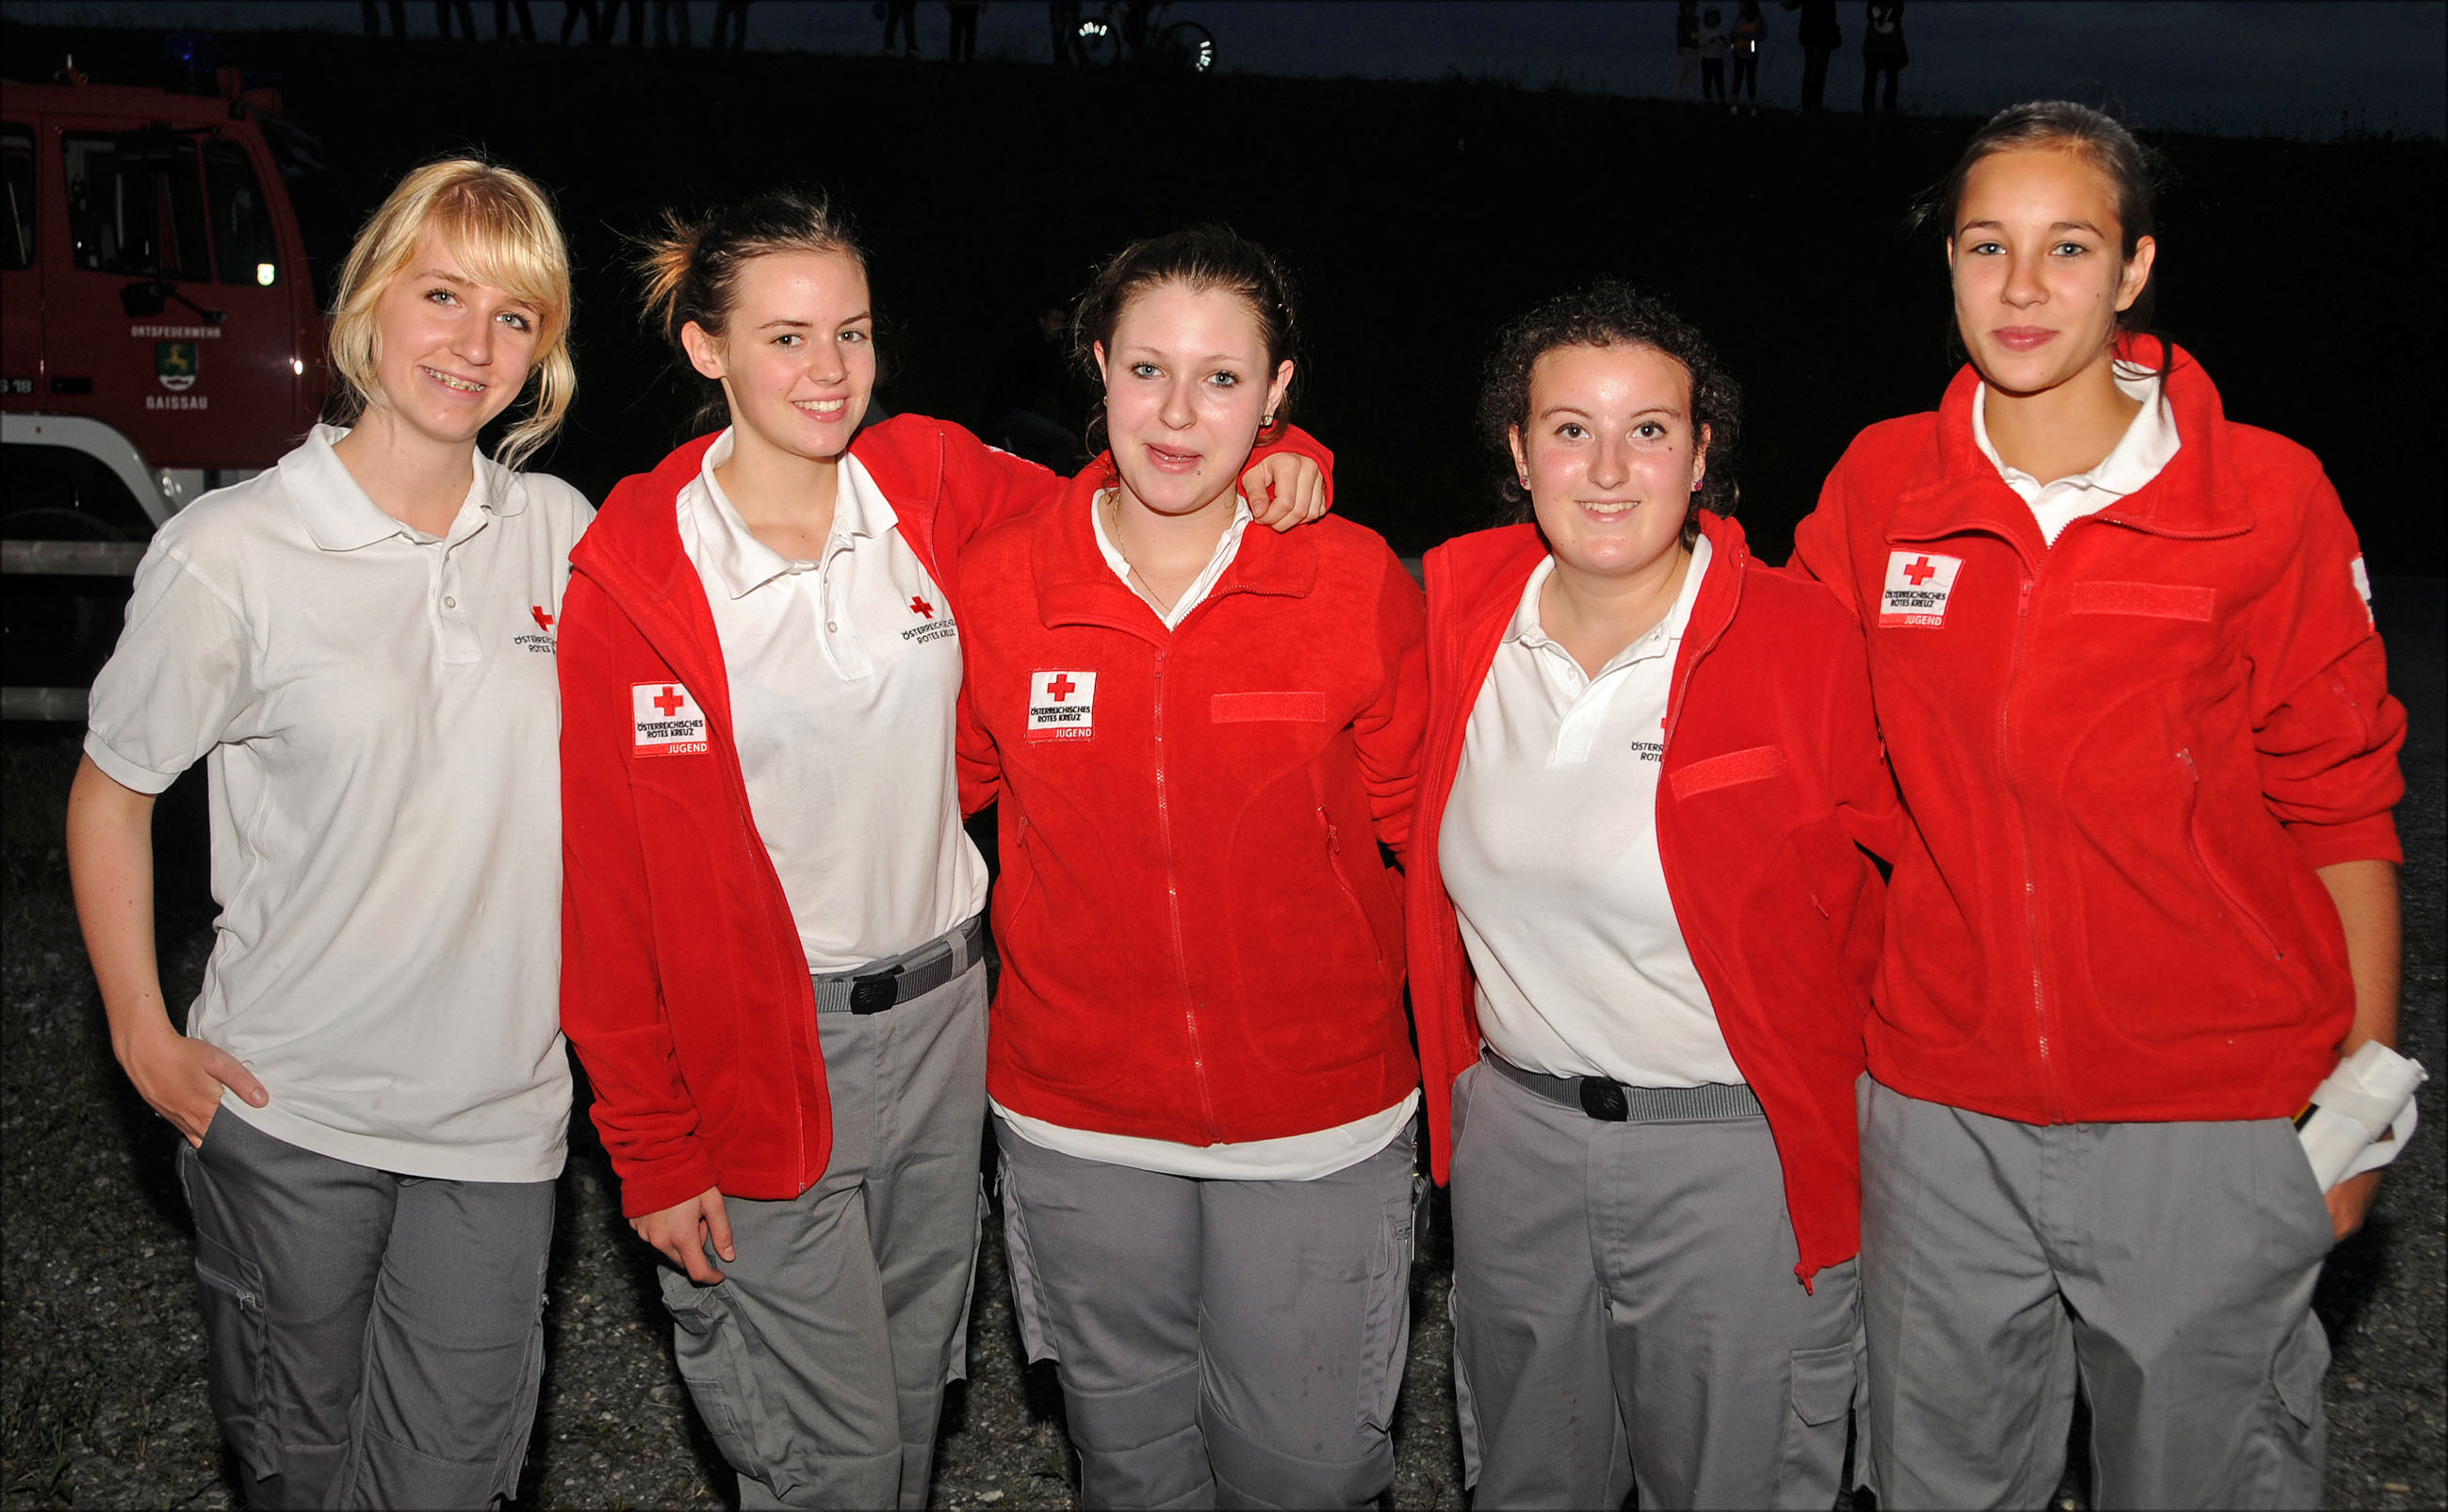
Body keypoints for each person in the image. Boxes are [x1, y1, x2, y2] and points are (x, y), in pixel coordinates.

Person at [555, 193, 1330, 1512]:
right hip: (760, 1043)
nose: (829, 371)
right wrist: (652, 1146)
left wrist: (1279, 447)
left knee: (912, 1415)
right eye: (787, 338)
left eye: (851, 333)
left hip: (944, 1025)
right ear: (705, 348)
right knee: (839, 1464)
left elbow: (1135, 491)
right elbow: (604, 890)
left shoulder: (923, 482)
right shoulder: (635, 570)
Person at [1791, 101, 2409, 1509]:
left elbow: (2341, 807)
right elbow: (1741, 662)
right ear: (1947, 263)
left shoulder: (2265, 496)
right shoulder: (1882, 484)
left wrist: (2364, 1102)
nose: (2021, 288)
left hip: (2205, 1113)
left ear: (2133, 268)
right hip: (1941, 1114)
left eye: (2066, 248)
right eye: (1985, 246)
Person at [66, 157, 585, 1510]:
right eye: (443, 295)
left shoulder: (561, 536)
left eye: (514, 316)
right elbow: (114, 790)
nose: (473, 345)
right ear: (369, 303)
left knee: (451, 1482)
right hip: (292, 1110)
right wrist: (140, 1033)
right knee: (300, 1475)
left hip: (499, 1119)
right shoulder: (235, 550)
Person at [955, 225, 1428, 1510]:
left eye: (1222, 379)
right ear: (1097, 366)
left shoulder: (1349, 580)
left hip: (1316, 1122)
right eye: (1147, 369)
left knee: (1307, 1474)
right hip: (1078, 1120)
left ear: (1277, 395)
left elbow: (1420, 831)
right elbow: (947, 802)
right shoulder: (1001, 586)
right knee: (1132, 1471)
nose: (1177, 414)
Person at [1408, 283, 1897, 1510]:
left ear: (1701, 451)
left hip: (1734, 1157)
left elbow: (1913, 889)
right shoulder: (1455, 615)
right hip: (1517, 1145)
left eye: (1649, 430)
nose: (1610, 469)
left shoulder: (1803, 642)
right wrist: (1285, 452)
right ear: (1519, 452)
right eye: (1570, 429)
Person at [1791, 0, 1838, 111]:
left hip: (1819, 34)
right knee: (1817, 71)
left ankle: (1811, 105)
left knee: (1816, 71)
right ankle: (1812, 105)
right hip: (1818, 35)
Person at [1861, 0, 1904, 114]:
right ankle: (1886, 109)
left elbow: (1871, 15)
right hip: (1886, 43)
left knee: (1877, 77)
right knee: (1888, 78)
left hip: (1880, 42)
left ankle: (1874, 109)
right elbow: (1897, 14)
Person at [1729, 0, 1765, 114]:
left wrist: (1747, 36)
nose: (1739, 5)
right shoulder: (1740, 18)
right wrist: (1732, 37)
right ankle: (1734, 103)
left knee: (1750, 79)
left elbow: (1763, 34)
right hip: (1738, 53)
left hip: (1751, 54)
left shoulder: (1758, 18)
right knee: (1737, 78)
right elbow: (1733, 32)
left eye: (1741, 3)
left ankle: (1752, 105)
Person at [1697, 8, 1729, 106]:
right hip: (1707, 59)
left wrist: (1724, 40)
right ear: (1707, 19)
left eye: (1715, 19)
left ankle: (1722, 99)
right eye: (1711, 19)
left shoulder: (1721, 30)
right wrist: (1708, 41)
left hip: (1718, 59)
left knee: (1719, 80)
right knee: (1707, 80)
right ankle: (1708, 99)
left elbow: (1728, 45)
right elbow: (1699, 43)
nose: (1713, 21)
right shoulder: (1703, 31)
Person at [1672, 0, 1699, 103]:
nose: (1691, 10)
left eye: (1692, 8)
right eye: (1689, 7)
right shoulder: (1682, 20)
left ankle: (1691, 97)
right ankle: (1676, 95)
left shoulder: (1695, 20)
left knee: (1692, 75)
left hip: (1693, 49)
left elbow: (1694, 35)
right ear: (1683, 9)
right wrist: (1680, 46)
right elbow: (1681, 34)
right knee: (1680, 73)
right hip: (1684, 49)